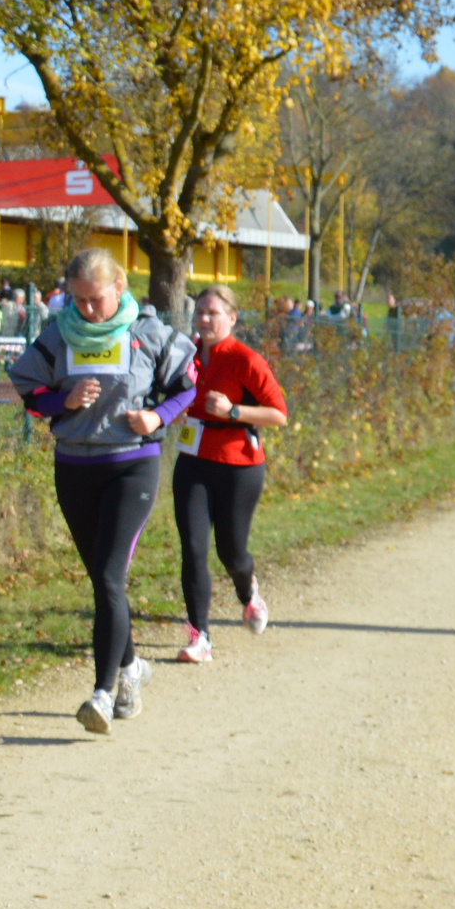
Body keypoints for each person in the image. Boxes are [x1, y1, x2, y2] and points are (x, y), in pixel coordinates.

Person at [5, 248, 195, 732]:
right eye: (79, 300)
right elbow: (29, 392)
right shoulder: (58, 335)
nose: (88, 310)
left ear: (120, 288)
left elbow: (189, 385)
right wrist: (62, 401)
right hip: (74, 468)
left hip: (131, 466)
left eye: (97, 299)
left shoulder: (148, 332)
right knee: (103, 581)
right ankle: (131, 669)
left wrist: (157, 416)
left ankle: (102, 694)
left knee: (110, 578)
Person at [167, 284, 286, 664]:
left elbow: (278, 414)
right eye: (200, 312)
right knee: (193, 548)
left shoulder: (245, 359)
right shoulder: (184, 354)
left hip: (239, 466)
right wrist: (171, 410)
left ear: (232, 319)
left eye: (213, 313)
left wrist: (234, 411)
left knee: (231, 552)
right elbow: (167, 393)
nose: (204, 319)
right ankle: (199, 636)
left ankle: (248, 590)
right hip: (193, 462)